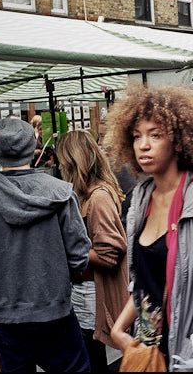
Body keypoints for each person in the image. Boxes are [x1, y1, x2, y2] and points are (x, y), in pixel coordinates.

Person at [105, 82, 193, 370]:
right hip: (147, 351)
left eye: (155, 135)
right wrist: (119, 330)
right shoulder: (142, 197)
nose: (143, 145)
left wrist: (189, 359)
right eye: (136, 136)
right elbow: (142, 281)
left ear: (179, 141)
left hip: (186, 356)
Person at [0, 118, 92, 372]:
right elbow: (79, 255)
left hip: (3, 314)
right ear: (33, 148)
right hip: (53, 311)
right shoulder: (61, 192)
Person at [55, 130, 130, 372]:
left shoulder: (98, 197)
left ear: (73, 161)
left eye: (62, 161)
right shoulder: (87, 193)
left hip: (93, 291)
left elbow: (110, 254)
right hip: (85, 289)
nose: (58, 166)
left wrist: (67, 253)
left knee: (92, 357)